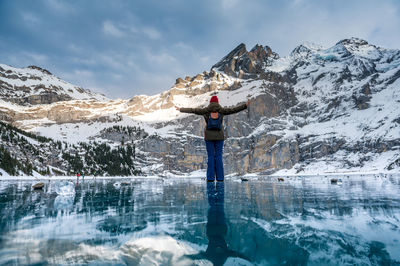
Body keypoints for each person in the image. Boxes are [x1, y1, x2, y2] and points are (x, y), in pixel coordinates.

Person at [175, 95, 249, 181]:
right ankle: (220, 178)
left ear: (210, 102)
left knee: (210, 157)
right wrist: (245, 106)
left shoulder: (205, 111)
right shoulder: (222, 111)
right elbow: (234, 110)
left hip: (209, 137)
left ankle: (210, 178)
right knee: (218, 157)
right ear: (217, 102)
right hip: (219, 137)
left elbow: (193, 110)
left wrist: (181, 109)